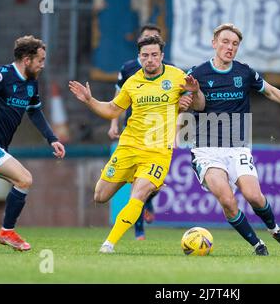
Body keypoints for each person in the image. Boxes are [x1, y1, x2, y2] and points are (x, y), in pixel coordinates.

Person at [183, 23, 280, 256]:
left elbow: (271, 91)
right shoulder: (196, 73)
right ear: (214, 43)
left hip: (237, 147)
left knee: (254, 196)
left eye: (235, 44)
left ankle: (275, 229)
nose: (230, 47)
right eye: (225, 42)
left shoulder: (244, 72)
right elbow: (199, 106)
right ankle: (257, 245)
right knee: (227, 201)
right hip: (206, 149)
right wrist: (194, 93)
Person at [69, 35, 201, 253]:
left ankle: (108, 244)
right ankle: (133, 176)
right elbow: (112, 110)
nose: (150, 59)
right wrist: (90, 101)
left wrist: (190, 96)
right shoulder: (132, 83)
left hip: (158, 152)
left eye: (154, 55)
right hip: (129, 147)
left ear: (162, 56)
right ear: (139, 57)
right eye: (145, 55)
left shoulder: (177, 76)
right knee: (100, 196)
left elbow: (196, 101)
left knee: (137, 195)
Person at [0, 35, 66, 251]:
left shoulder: (31, 83)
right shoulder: (3, 75)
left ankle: (6, 231)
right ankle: (7, 232)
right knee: (24, 179)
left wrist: (52, 139)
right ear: (26, 59)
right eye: (40, 60)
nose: (43, 64)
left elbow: (34, 112)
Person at [108, 24, 169, 240]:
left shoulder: (169, 71)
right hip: (133, 131)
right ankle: (139, 230)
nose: (150, 57)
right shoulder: (127, 68)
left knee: (151, 184)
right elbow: (116, 101)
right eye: (147, 39)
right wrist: (113, 124)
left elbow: (181, 102)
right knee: (136, 185)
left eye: (155, 39)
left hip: (159, 135)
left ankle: (147, 207)